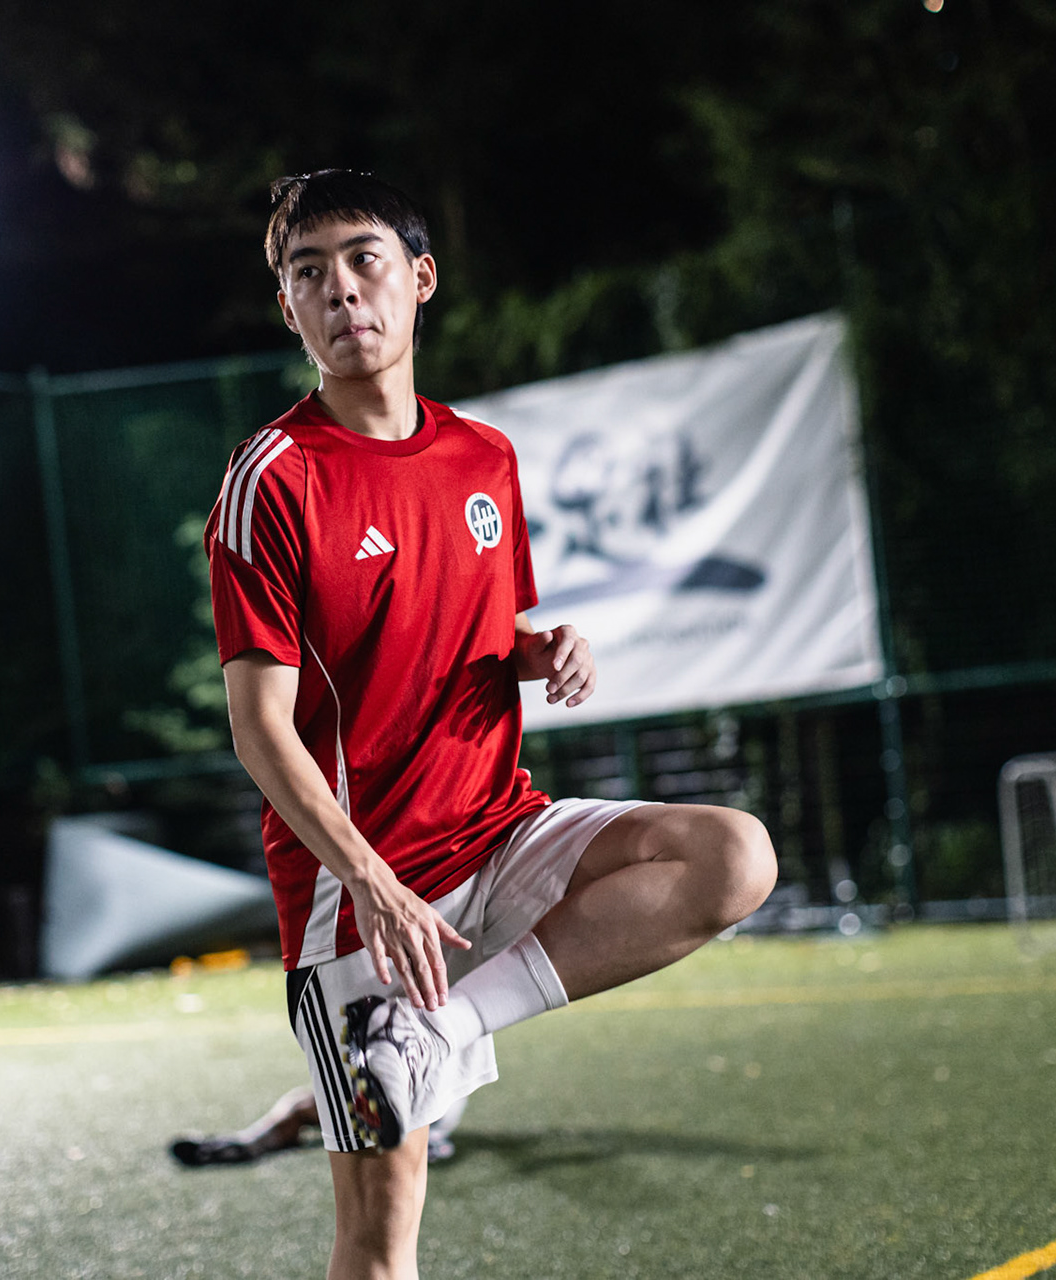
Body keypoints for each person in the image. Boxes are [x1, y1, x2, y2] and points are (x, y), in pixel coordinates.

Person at [206, 169, 776, 1279]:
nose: (341, 293)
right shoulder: (270, 480)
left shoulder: (484, 458)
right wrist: (371, 881)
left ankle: (448, 1028)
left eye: (364, 260)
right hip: (359, 898)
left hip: (501, 826)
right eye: (307, 274)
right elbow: (259, 726)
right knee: (379, 1246)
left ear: (420, 279)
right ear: (288, 309)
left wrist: (542, 646)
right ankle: (406, 1027)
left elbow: (480, 626)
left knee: (731, 853)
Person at [170, 1087, 467, 1168]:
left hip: (427, 1099)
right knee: (301, 1104)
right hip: (426, 1100)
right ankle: (249, 1142)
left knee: (301, 1105)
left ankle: (251, 1142)